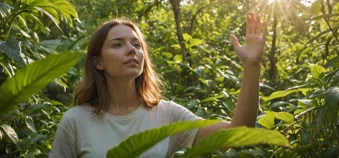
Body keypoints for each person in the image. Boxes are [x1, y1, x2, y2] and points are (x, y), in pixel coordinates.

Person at [49, 12, 267, 158]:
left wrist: (252, 64)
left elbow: (236, 133)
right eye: (117, 44)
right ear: (98, 62)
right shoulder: (75, 120)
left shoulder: (167, 115)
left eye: (136, 44)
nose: (131, 49)